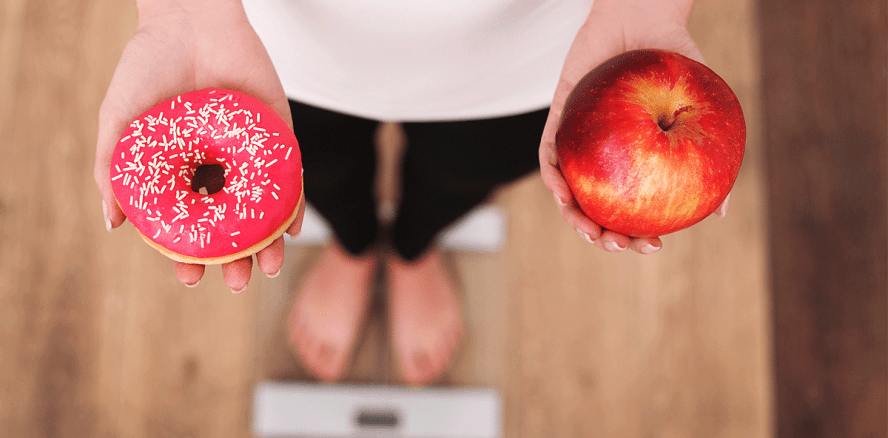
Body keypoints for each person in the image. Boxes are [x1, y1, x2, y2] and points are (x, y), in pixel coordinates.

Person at [94, 0, 728, 385]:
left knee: (465, 169)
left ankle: (413, 247)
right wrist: (182, 12)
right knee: (314, 167)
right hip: (261, 34)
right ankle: (354, 244)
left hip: (533, 45)